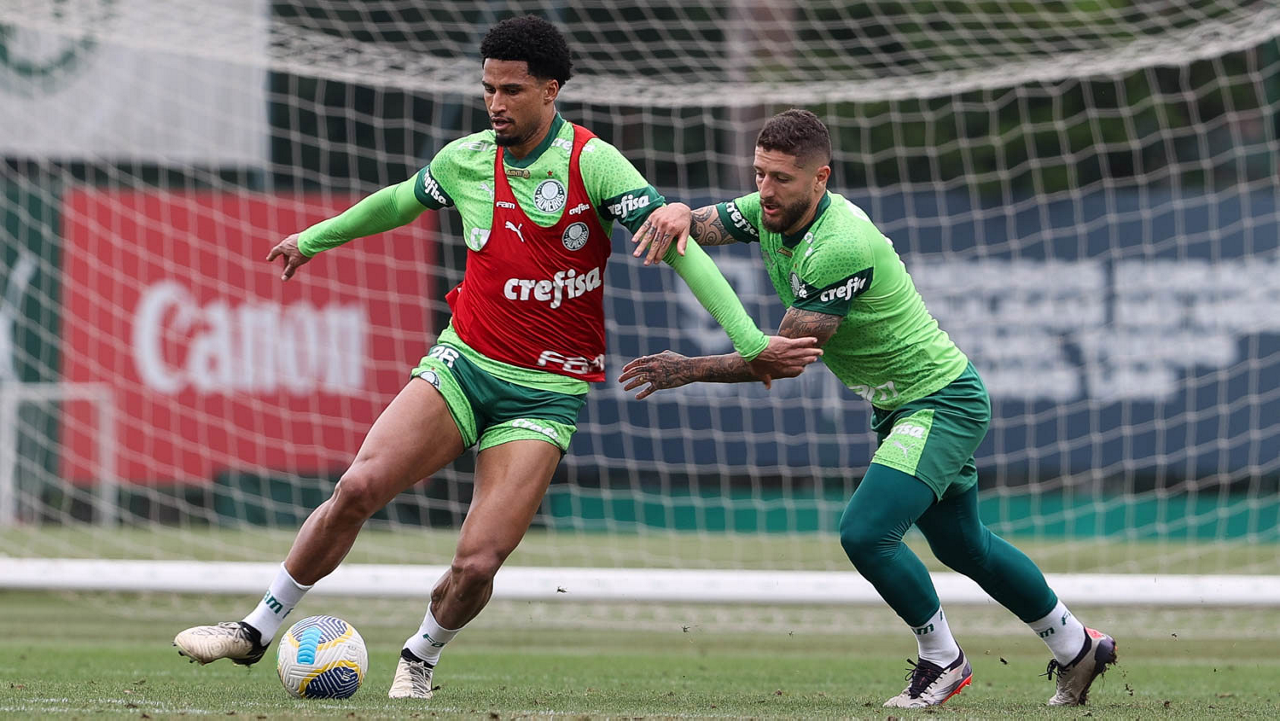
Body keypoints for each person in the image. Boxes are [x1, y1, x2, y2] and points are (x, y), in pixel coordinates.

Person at [172, 17, 822, 699]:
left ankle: (420, 655)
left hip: (545, 392)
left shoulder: (593, 163)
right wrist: (313, 239)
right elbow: (398, 202)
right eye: (488, 89)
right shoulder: (466, 159)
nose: (495, 103)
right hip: (463, 365)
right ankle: (255, 628)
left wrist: (749, 341)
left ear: (551, 91)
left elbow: (679, 248)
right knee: (358, 487)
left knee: (478, 562)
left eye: (511, 90)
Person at [620, 108, 1117, 709]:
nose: (765, 191)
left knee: (865, 533)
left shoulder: (839, 245)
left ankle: (943, 659)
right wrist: (677, 211)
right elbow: (700, 227)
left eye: (781, 178)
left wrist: (687, 369)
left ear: (820, 179)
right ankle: (1077, 646)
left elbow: (780, 358)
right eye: (759, 174)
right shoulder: (769, 209)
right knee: (965, 547)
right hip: (902, 406)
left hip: (940, 402)